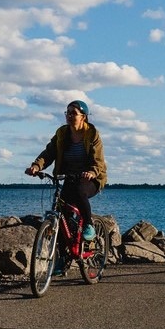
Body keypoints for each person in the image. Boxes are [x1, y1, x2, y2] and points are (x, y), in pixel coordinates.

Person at [25, 100, 107, 240]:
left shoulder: (92, 134)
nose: (69, 116)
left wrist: (92, 172)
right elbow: (49, 153)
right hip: (68, 177)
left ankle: (88, 224)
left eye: (73, 113)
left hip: (91, 178)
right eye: (67, 113)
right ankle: (63, 257)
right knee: (62, 213)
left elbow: (98, 160)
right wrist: (36, 166)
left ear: (83, 116)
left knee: (80, 191)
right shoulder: (62, 133)